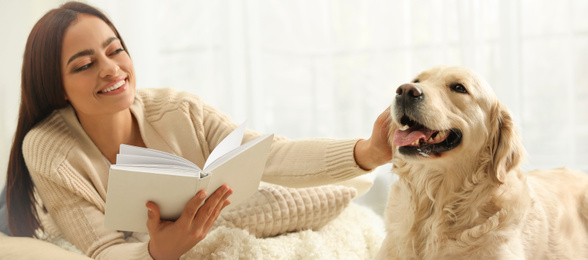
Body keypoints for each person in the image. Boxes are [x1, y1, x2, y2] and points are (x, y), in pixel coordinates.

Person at [5, 1, 392, 259]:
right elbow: (103, 250)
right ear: (57, 87)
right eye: (84, 64)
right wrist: (157, 252)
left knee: (284, 194)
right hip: (29, 208)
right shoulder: (48, 149)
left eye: (115, 49)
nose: (110, 68)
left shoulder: (177, 108)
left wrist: (368, 151)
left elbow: (268, 154)